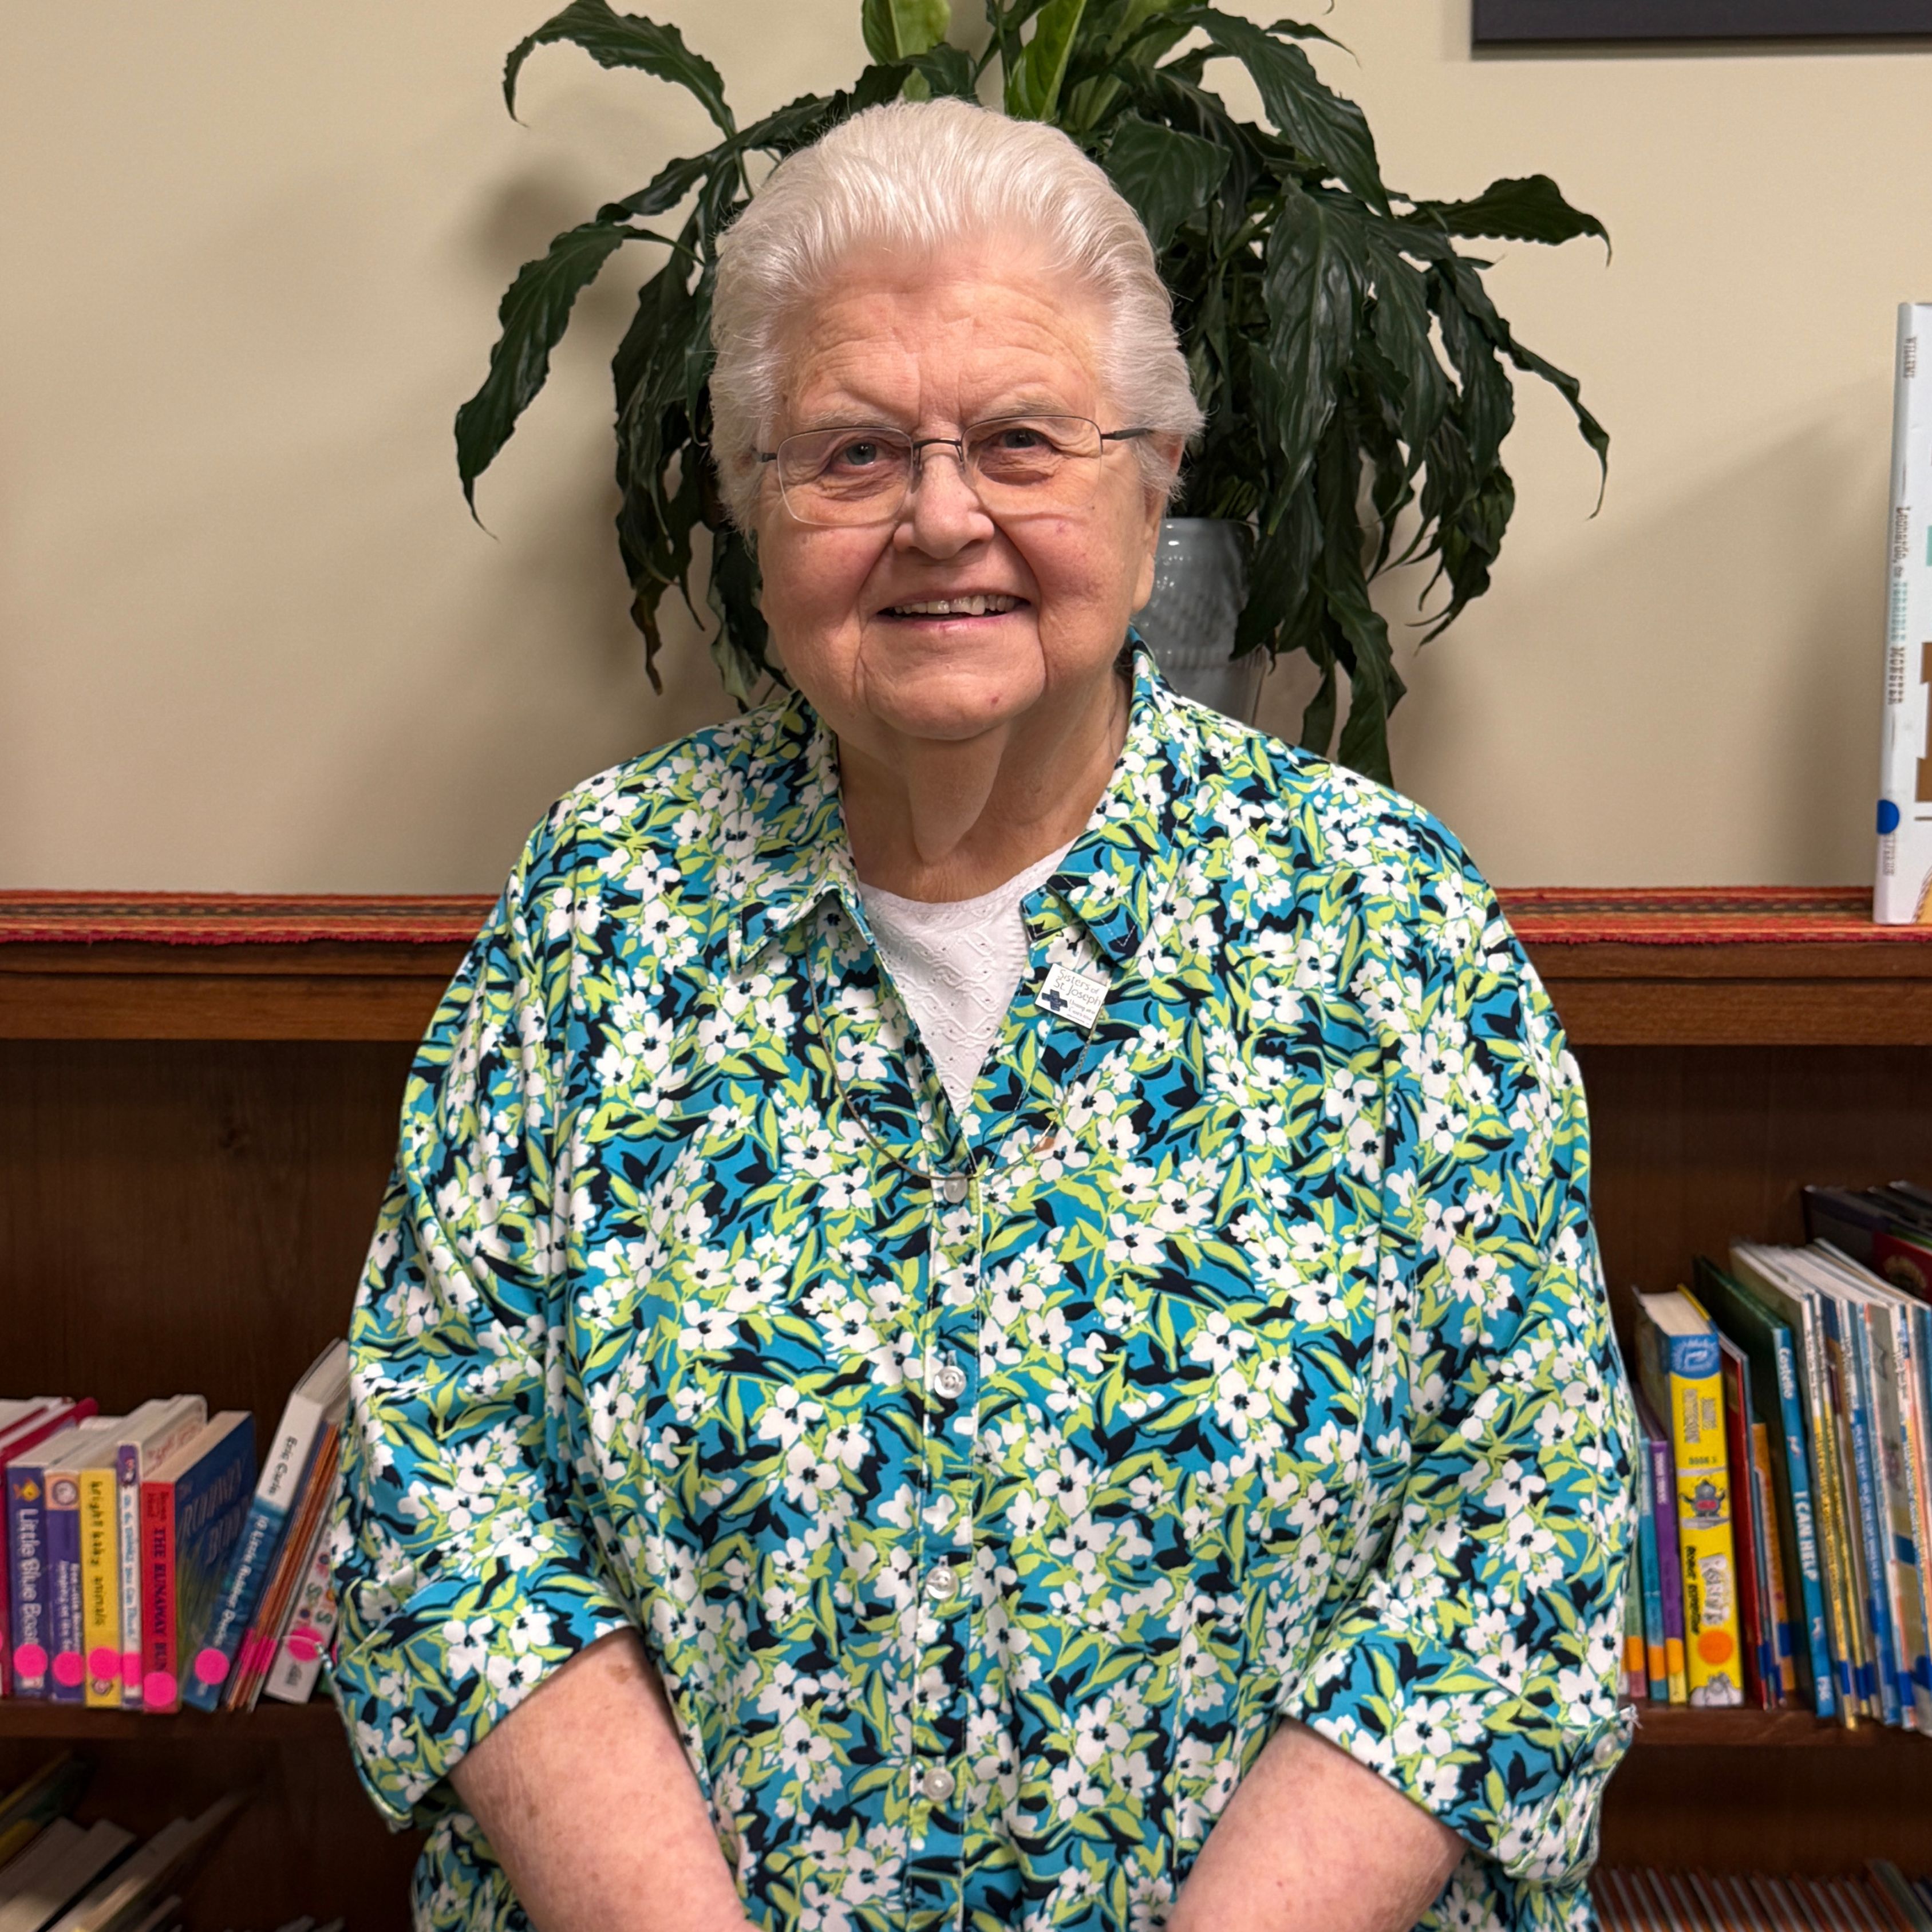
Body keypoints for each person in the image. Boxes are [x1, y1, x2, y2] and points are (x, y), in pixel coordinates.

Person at [331, 97, 1634, 1932]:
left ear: (1155, 472)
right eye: (854, 452)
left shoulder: (1387, 922)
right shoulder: (597, 912)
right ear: (755, 506)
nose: (946, 518)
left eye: (1022, 439)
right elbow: (439, 1476)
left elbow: (1526, 1525)